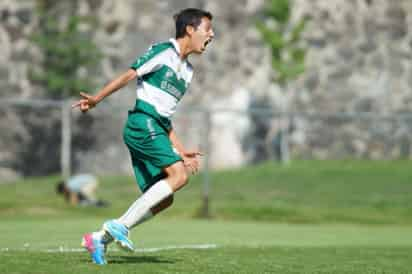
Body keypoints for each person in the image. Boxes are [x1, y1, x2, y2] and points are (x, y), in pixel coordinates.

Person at [72, 8, 214, 265]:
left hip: (155, 126)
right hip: (141, 123)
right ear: (190, 30)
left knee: (165, 199)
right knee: (179, 176)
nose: (211, 34)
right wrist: (96, 100)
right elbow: (129, 75)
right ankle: (119, 227)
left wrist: (180, 150)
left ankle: (98, 239)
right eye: (207, 29)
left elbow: (165, 117)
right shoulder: (163, 52)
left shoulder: (188, 72)